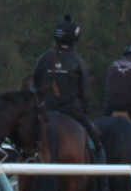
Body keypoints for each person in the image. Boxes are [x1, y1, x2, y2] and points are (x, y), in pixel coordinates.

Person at [31, 15, 102, 160]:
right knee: (97, 145)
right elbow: (84, 95)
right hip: (72, 112)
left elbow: (35, 87)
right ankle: (103, 182)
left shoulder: (43, 59)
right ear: (75, 40)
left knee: (25, 146)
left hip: (45, 112)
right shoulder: (78, 61)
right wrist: (86, 113)